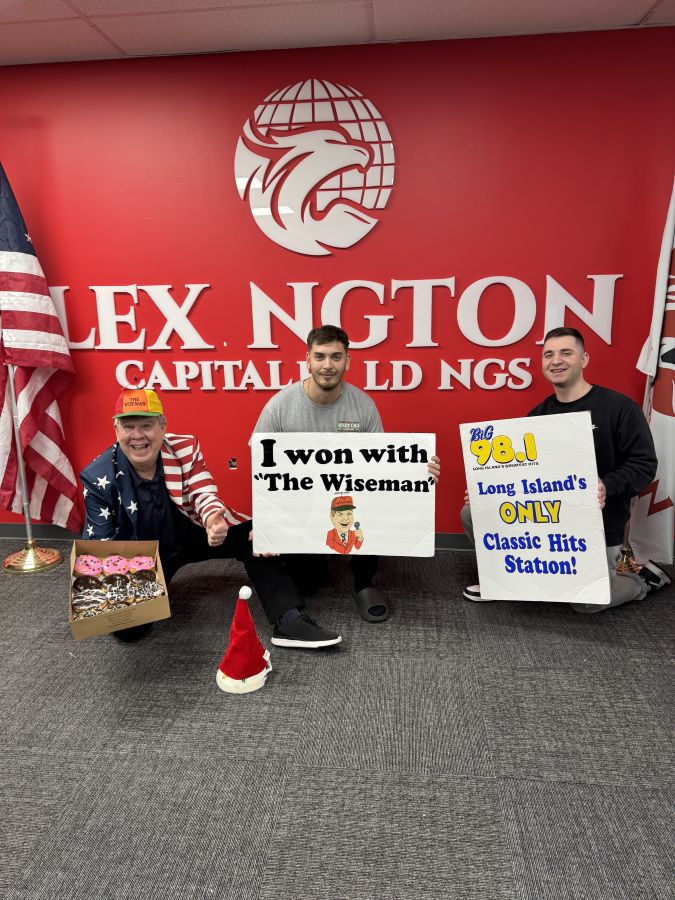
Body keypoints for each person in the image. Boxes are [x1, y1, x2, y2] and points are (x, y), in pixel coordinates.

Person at [80, 387, 342, 648]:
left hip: (192, 534)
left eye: (146, 425)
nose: (137, 436)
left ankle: (289, 620)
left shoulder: (184, 447)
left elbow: (203, 492)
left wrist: (213, 520)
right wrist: (113, 599)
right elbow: (99, 549)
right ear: (116, 430)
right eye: (128, 427)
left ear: (162, 427)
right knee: (129, 632)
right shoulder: (97, 477)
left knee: (253, 533)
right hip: (145, 557)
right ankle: (151, 594)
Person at [461, 327, 671, 612]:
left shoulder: (619, 407)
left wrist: (606, 486)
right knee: (472, 511)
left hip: (599, 524)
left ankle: (641, 580)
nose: (556, 360)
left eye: (566, 353)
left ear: (584, 359)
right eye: (548, 355)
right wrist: (488, 490)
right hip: (544, 520)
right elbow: (523, 475)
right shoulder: (537, 416)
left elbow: (644, 464)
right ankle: (504, 580)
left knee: (585, 604)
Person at [253, 324, 440, 623]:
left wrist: (419, 472)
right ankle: (318, 555)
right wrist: (265, 521)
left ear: (347, 361)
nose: (327, 365)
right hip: (303, 503)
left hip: (351, 497)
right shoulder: (279, 406)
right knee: (307, 585)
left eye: (336, 357)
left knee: (376, 501)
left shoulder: (363, 405)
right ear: (308, 360)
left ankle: (363, 581)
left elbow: (384, 466)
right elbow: (263, 468)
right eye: (320, 356)